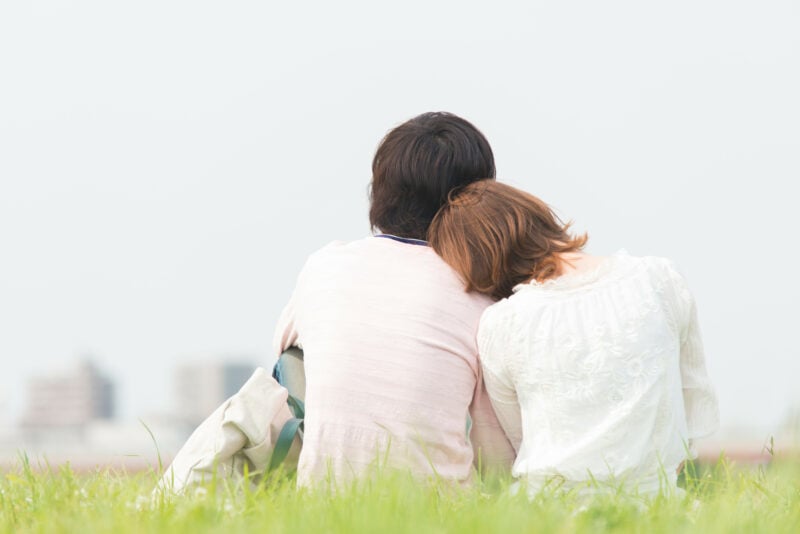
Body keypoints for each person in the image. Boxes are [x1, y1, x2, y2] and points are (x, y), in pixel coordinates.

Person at [428, 180, 719, 495]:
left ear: (480, 264)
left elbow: (521, 442)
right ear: (538, 216)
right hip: (658, 501)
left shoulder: (502, 325)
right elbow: (693, 403)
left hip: (549, 513)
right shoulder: (660, 279)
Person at [273, 112, 515, 487]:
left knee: (296, 359)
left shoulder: (325, 265)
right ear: (477, 199)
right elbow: (494, 455)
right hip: (445, 513)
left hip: (323, 507)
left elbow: (285, 353)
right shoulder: (480, 295)